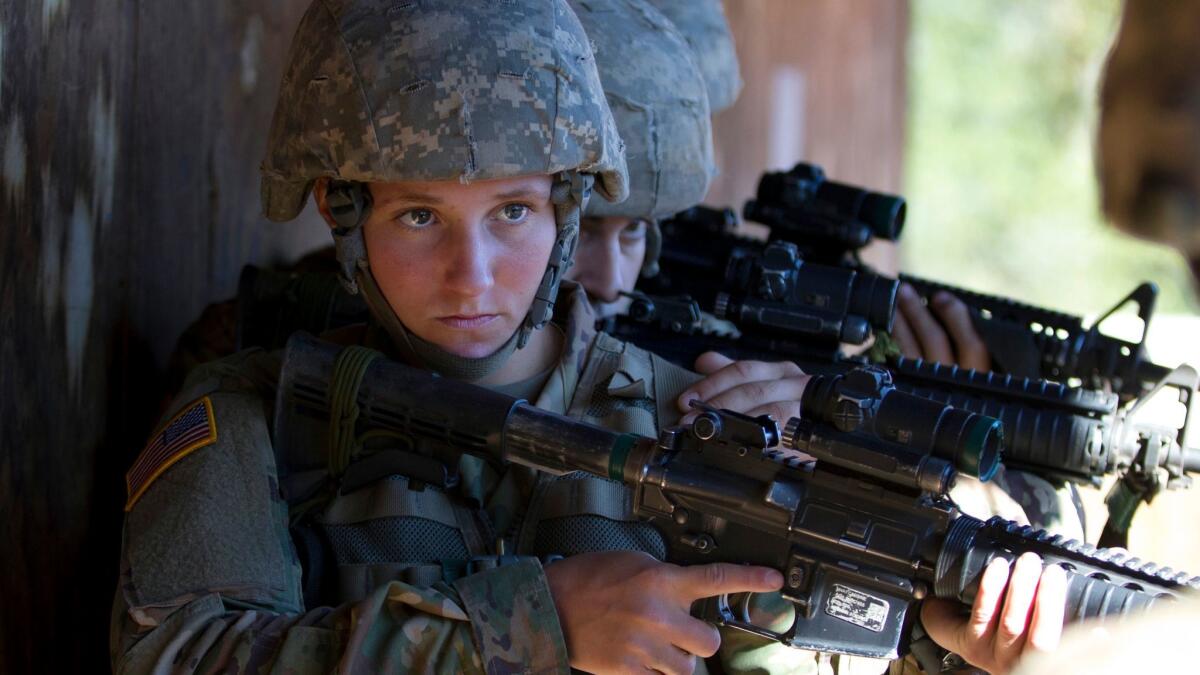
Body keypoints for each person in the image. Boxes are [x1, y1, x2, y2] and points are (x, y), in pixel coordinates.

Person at [112, 2, 1064, 673]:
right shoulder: (249, 417)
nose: (473, 275)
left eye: (515, 211)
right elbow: (180, 656)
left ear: (570, 209)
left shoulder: (692, 421)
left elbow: (803, 643)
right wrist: (531, 628)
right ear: (341, 212)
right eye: (418, 217)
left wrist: (946, 648)